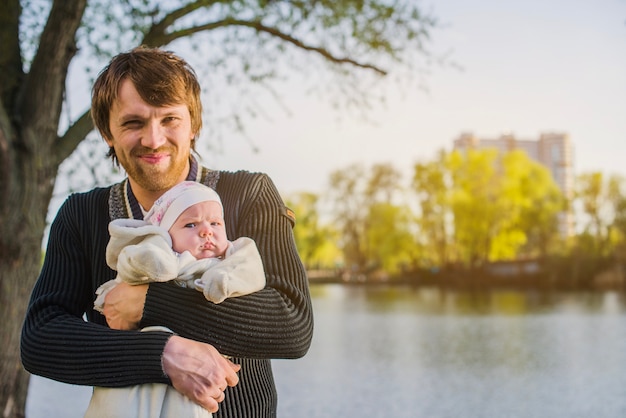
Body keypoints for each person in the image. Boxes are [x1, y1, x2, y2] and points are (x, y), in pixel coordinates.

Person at [20, 46, 313, 417]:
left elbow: (292, 324)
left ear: (194, 125)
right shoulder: (81, 214)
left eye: (169, 120)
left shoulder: (249, 194)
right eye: (133, 123)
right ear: (107, 132)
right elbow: (41, 338)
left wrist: (148, 304)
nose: (153, 139)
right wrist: (162, 353)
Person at [87, 180, 266, 418]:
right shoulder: (166, 256)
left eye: (215, 223)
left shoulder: (231, 258)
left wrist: (222, 281)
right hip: (144, 366)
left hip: (207, 376)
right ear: (165, 235)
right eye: (190, 224)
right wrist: (156, 259)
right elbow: (134, 263)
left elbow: (251, 273)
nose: (206, 231)